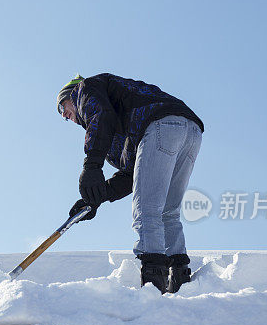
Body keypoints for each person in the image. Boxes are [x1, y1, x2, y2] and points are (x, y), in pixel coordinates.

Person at [57, 73, 204, 293]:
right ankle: (179, 279)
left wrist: (92, 166)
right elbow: (132, 174)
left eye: (62, 107)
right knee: (167, 212)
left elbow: (99, 116)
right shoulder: (119, 125)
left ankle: (153, 284)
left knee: (147, 210)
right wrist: (97, 196)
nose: (65, 116)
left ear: (72, 94)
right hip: (190, 131)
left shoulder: (86, 89)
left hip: (160, 124)